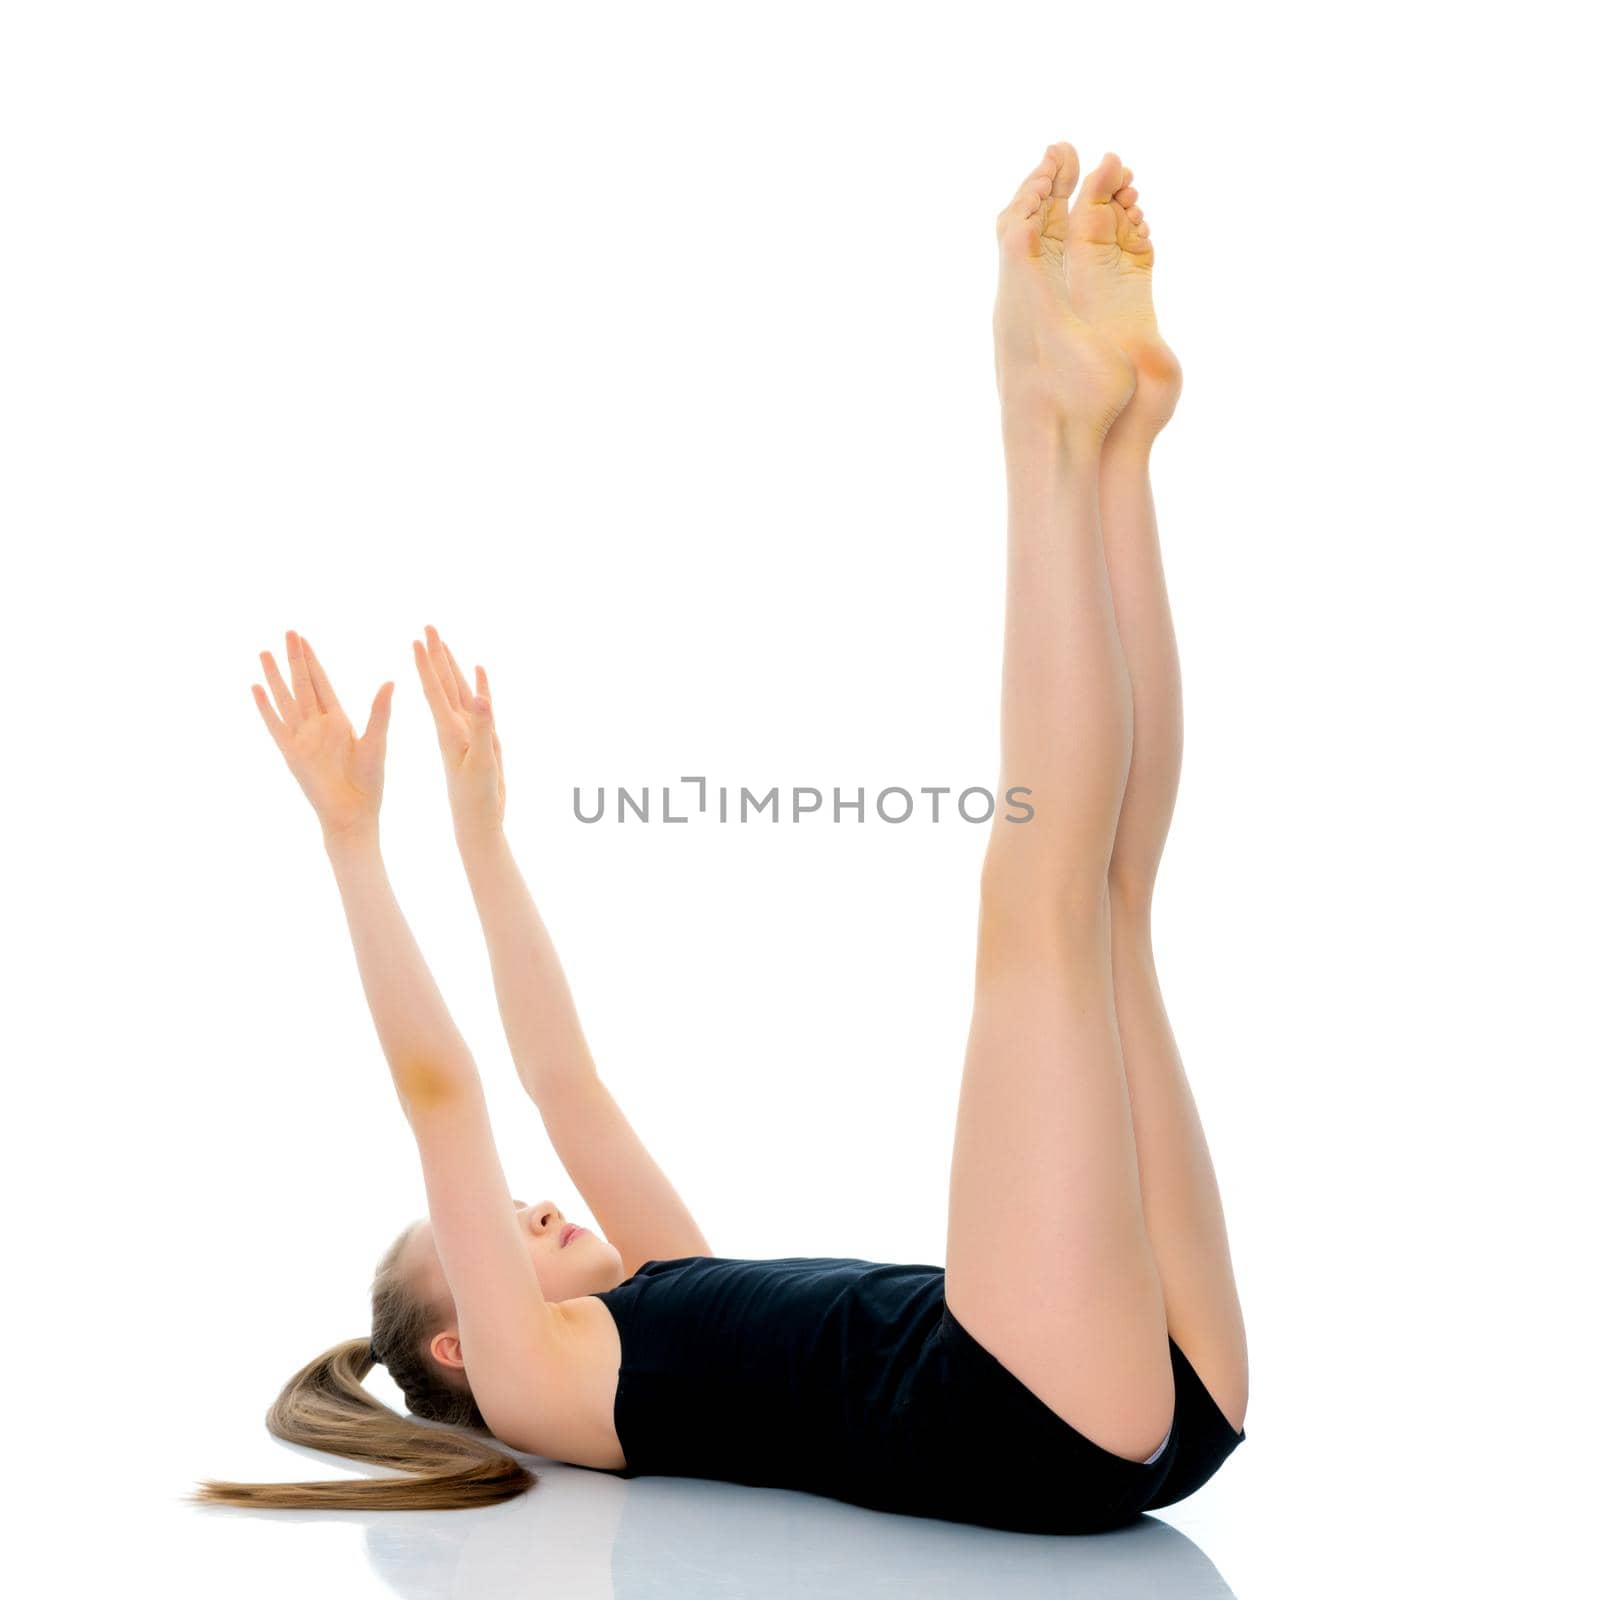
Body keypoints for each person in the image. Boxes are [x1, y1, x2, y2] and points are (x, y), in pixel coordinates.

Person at [194, 141, 1247, 1535]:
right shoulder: (533, 1380)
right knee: (1036, 897)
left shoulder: (659, 1291)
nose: (533, 1207)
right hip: (1019, 1415)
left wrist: (484, 834)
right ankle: (1038, 424)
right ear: (461, 1341)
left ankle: (1116, 448)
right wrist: (351, 844)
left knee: (1110, 903)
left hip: (1139, 1395)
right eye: (496, 1237)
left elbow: (558, 1075)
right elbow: (444, 1093)